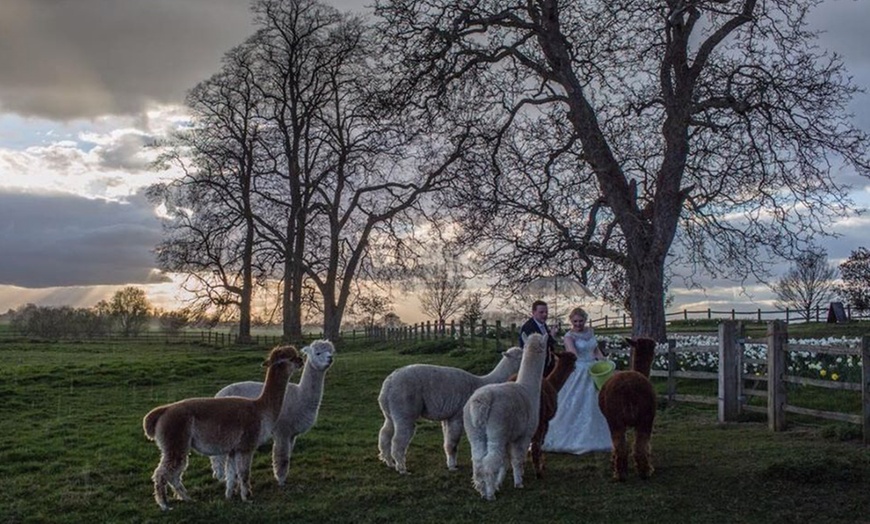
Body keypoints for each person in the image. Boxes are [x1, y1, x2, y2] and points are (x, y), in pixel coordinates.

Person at [541, 306, 612, 454]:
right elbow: (573, 354)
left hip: (593, 369)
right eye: (575, 321)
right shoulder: (569, 336)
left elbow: (595, 350)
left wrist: (603, 360)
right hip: (579, 369)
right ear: (571, 321)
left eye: (580, 321)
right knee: (574, 402)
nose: (578, 324)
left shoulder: (590, 332)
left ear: (585, 320)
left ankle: (598, 435)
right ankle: (570, 437)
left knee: (596, 402)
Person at [518, 300, 557, 376]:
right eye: (541, 312)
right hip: (534, 367)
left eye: (546, 312)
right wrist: (551, 336)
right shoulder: (528, 327)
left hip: (546, 365)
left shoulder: (543, 325)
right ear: (533, 312)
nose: (545, 315)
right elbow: (536, 347)